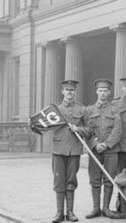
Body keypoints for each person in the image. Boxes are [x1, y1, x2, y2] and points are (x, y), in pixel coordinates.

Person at [50, 80, 90, 223]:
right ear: (62, 92)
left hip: (74, 150)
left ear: (75, 92)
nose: (69, 93)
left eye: (72, 90)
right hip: (58, 150)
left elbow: (89, 130)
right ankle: (59, 212)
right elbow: (43, 126)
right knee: (59, 180)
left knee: (71, 180)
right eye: (67, 90)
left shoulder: (82, 109)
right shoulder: (55, 109)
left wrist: (78, 129)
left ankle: (70, 212)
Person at [85, 79, 123, 219]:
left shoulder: (115, 109)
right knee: (95, 179)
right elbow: (87, 131)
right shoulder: (88, 110)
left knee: (109, 179)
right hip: (95, 150)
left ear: (109, 92)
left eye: (105, 91)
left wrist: (106, 144)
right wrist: (95, 144)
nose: (103, 93)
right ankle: (96, 208)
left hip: (111, 150)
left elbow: (117, 130)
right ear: (96, 91)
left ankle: (106, 208)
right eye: (100, 90)